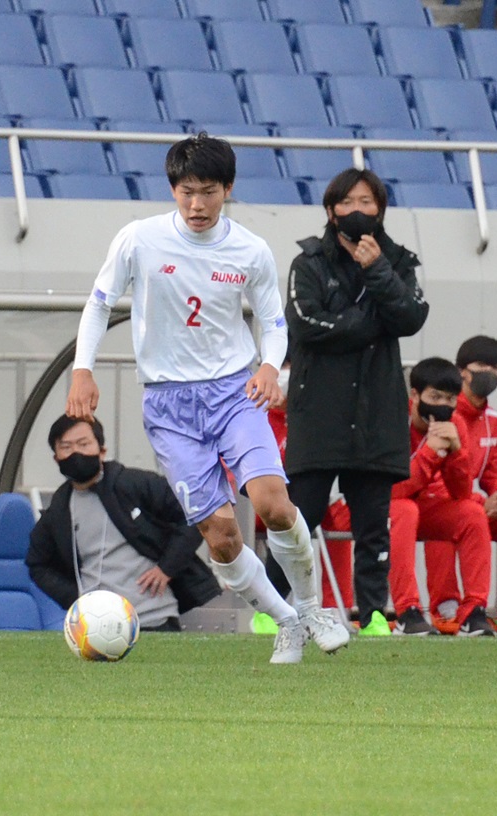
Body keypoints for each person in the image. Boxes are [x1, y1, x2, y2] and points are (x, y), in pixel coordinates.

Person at [65, 132, 349, 665]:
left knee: (272, 504)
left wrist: (268, 363)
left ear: (228, 190)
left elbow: (271, 319)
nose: (197, 205)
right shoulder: (139, 240)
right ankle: (286, 621)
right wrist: (84, 370)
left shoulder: (249, 249)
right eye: (187, 192)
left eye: (209, 192)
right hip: (169, 405)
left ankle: (311, 608)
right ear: (172, 189)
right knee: (220, 537)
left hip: (233, 392)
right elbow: (99, 304)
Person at [284, 167, 430, 637]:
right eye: (349, 203)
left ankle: (372, 615)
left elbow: (409, 316)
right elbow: (306, 323)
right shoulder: (309, 261)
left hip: (376, 414)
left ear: (380, 210)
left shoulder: (397, 261)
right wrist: (370, 324)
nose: (358, 211)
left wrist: (377, 270)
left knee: (374, 525)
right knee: (297, 519)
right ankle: (277, 607)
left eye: (368, 203)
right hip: (318, 412)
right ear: (331, 210)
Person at [27, 414, 219, 632]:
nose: (76, 453)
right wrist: (77, 596)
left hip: (154, 620)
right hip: (94, 627)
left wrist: (167, 568)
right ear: (56, 457)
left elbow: (193, 515)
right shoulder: (59, 511)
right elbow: (37, 563)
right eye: (66, 447)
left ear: (102, 450)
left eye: (84, 444)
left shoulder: (135, 484)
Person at [424, 335, 497, 632]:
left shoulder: (495, 421)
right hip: (440, 499)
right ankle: (446, 605)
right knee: (454, 515)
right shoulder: (444, 412)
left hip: (470, 499)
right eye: (482, 365)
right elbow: (434, 480)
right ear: (462, 370)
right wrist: (479, 502)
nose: (490, 373)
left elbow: (495, 471)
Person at [389, 357, 495, 636]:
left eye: (449, 399)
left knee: (472, 513)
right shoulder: (392, 418)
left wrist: (457, 452)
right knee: (404, 509)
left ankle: (474, 611)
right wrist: (431, 453)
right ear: (415, 395)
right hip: (379, 507)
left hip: (424, 509)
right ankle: (407, 611)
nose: (442, 405)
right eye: (434, 396)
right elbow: (393, 490)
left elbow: (461, 493)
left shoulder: (455, 423)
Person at [255, 359, 355, 634]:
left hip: (298, 502)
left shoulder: (315, 418)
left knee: (337, 514)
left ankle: (337, 608)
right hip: (260, 504)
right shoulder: (255, 416)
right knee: (287, 514)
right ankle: (268, 606)